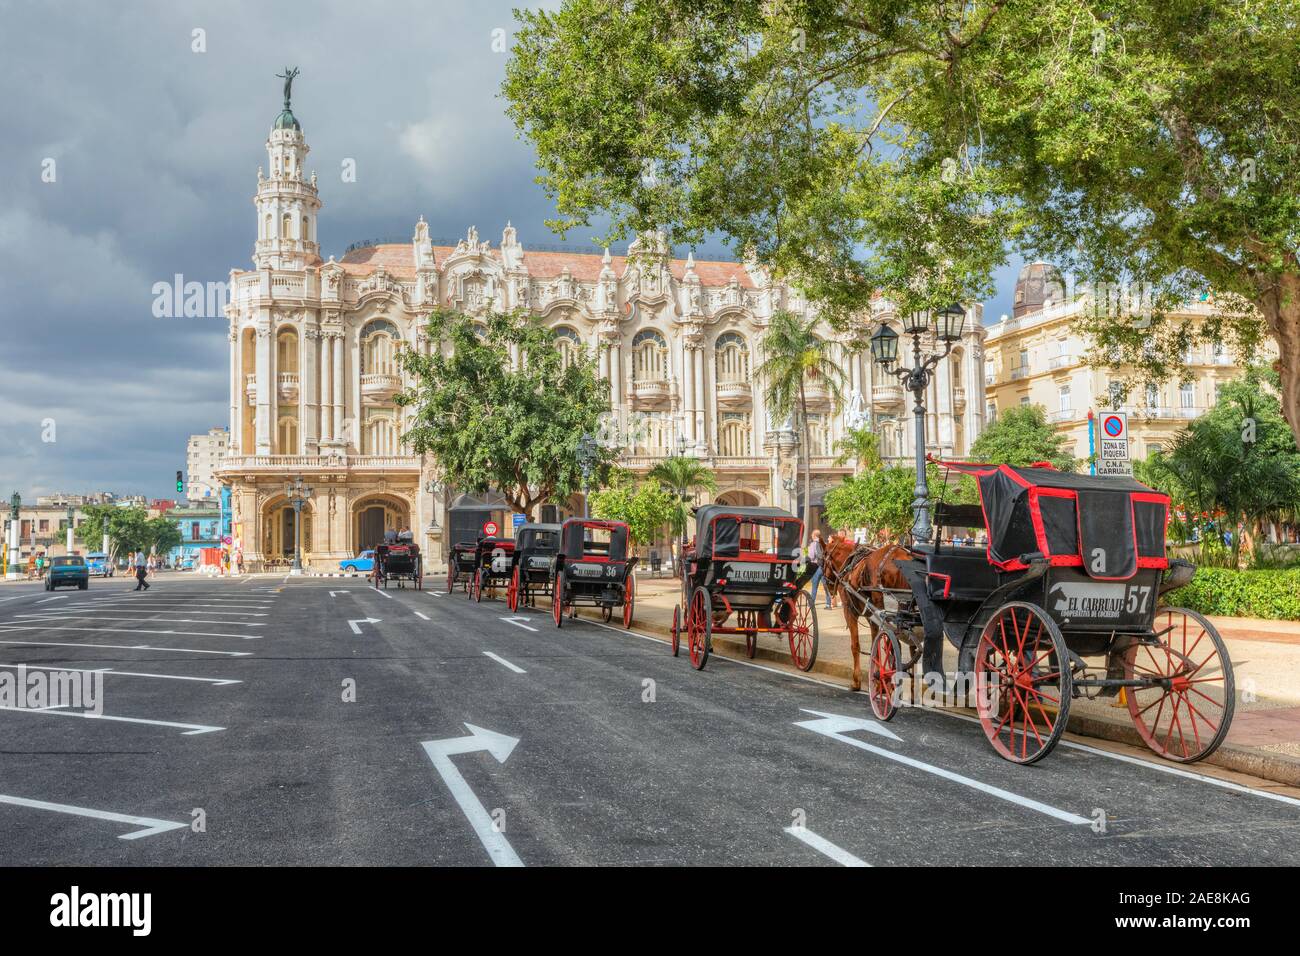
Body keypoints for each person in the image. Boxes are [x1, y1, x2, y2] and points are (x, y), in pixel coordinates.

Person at [808, 530, 833, 611]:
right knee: (826, 586)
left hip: (816, 567)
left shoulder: (813, 544)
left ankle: (812, 604)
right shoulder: (824, 544)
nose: (811, 535)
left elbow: (811, 556)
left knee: (814, 586)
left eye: (812, 534)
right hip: (824, 567)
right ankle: (828, 604)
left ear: (814, 535)